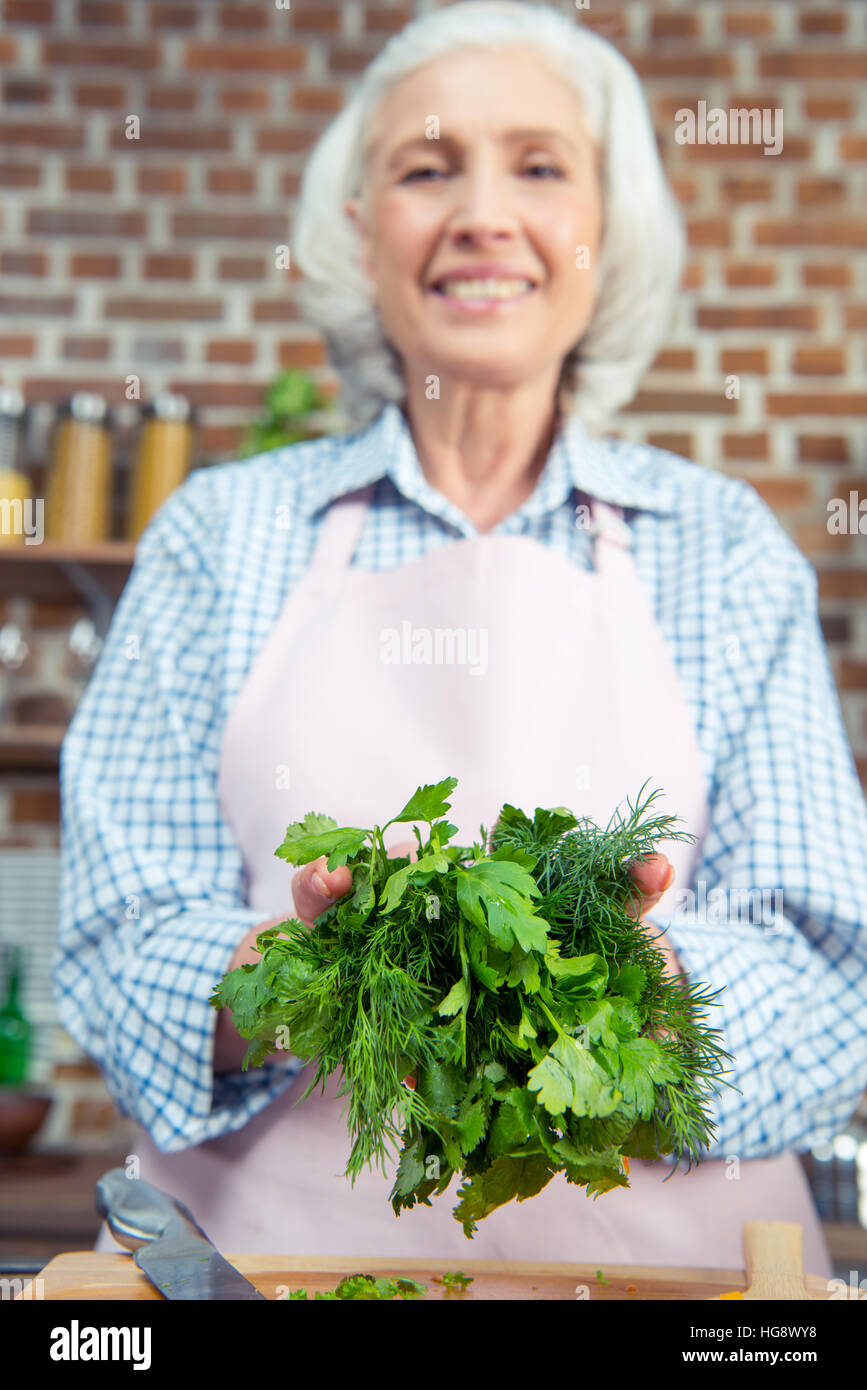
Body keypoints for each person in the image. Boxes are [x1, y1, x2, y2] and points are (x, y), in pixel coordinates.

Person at [54, 2, 867, 1275]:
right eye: (427, 168)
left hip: (677, 1289)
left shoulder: (722, 547)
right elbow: (111, 943)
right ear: (362, 232)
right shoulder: (220, 536)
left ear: (606, 229)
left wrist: (649, 992)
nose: (483, 212)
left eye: (539, 167)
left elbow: (828, 970)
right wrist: (289, 977)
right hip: (263, 1277)